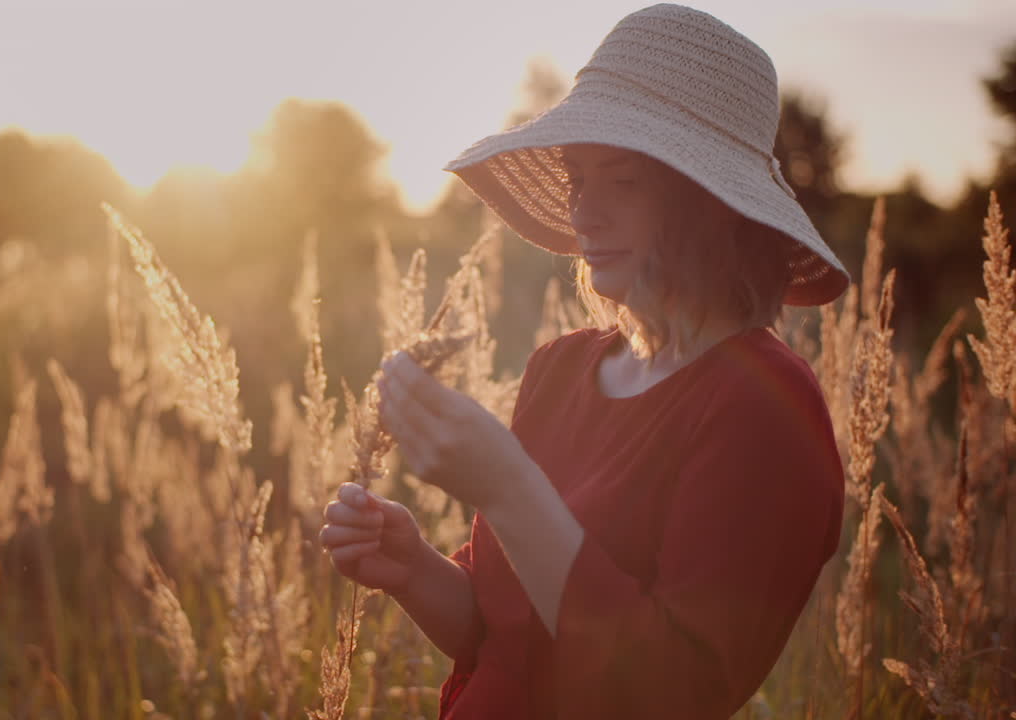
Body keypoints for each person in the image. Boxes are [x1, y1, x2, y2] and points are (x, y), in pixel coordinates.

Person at [318, 4, 849, 718]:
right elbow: (501, 638)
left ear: (710, 202)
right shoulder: (560, 370)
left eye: (623, 181)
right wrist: (413, 569)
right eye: (576, 179)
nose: (585, 213)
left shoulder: (764, 408)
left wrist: (506, 486)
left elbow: (675, 690)